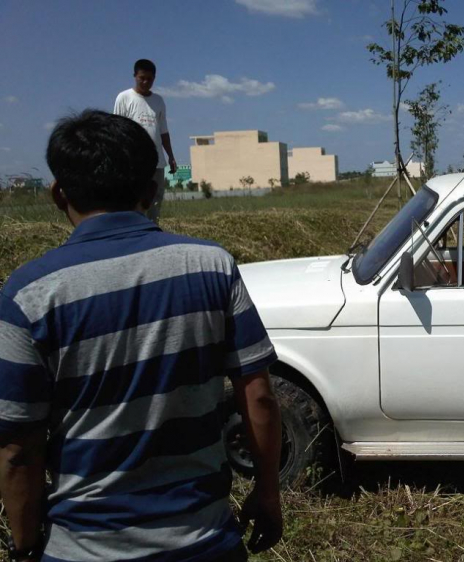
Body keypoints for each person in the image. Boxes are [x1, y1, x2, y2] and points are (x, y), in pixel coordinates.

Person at [0, 110, 282, 562]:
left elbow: (18, 447)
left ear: (58, 194)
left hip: (84, 547)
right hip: (204, 539)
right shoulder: (211, 265)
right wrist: (268, 493)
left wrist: (24, 544)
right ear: (151, 191)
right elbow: (260, 397)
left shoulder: (30, 293)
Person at [114, 58, 177, 224]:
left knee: (155, 199)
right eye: (142, 78)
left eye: (149, 79)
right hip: (134, 161)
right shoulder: (124, 98)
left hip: (156, 161)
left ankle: (152, 229)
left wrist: (170, 156)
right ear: (135, 76)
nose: (145, 82)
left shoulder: (158, 101)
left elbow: (163, 131)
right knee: (135, 198)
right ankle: (134, 230)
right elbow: (117, 130)